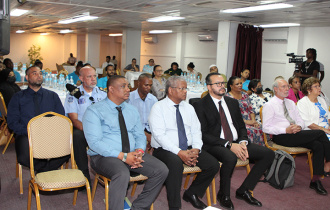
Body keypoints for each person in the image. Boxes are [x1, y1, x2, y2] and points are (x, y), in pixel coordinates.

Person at [82, 75, 168, 210]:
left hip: (132, 153)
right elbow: (95, 143)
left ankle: (138, 207)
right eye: (123, 86)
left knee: (161, 170)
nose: (128, 89)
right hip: (103, 156)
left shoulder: (131, 110)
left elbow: (140, 135)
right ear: (111, 89)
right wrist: (123, 156)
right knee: (122, 174)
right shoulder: (94, 111)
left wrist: (139, 151)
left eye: (128, 86)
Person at [193, 72, 274, 209]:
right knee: (230, 157)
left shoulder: (232, 102)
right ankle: (224, 195)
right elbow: (203, 134)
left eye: (223, 83)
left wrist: (243, 141)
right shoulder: (200, 105)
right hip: (214, 144)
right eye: (217, 84)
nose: (222, 86)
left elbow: (241, 126)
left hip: (236, 142)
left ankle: (244, 190)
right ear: (209, 87)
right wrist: (228, 145)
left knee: (268, 154)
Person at [149, 76, 219, 210]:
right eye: (182, 88)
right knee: (175, 165)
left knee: (213, 165)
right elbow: (159, 136)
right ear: (170, 90)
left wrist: (197, 149)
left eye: (186, 88)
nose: (185, 91)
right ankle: (175, 206)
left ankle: (192, 193)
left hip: (189, 147)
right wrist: (179, 152)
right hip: (164, 150)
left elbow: (197, 131)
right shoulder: (158, 108)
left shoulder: (189, 108)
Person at [263, 78, 330, 195]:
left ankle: (315, 181)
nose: (287, 89)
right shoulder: (269, 105)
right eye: (283, 87)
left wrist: (298, 126)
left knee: (318, 145)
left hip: (296, 133)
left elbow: (300, 120)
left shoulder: (291, 103)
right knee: (320, 133)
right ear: (275, 89)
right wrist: (285, 129)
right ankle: (329, 159)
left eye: (287, 87)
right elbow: (266, 128)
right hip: (281, 136)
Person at [7, 66, 69, 173]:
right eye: (34, 73)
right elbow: (12, 122)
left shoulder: (52, 96)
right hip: (26, 134)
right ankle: (45, 170)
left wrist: (50, 131)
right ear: (27, 77)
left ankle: (42, 171)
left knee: (66, 150)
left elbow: (61, 118)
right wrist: (29, 132)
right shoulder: (18, 97)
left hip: (49, 133)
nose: (39, 76)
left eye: (40, 73)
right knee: (24, 156)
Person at [64, 66, 107, 182]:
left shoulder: (103, 94)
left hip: (102, 128)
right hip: (83, 129)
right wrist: (90, 130)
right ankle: (84, 175)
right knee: (77, 137)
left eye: (94, 76)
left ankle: (109, 170)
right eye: (89, 76)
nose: (93, 79)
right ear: (81, 78)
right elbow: (74, 120)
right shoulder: (73, 95)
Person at [226, 76, 264, 146]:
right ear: (231, 86)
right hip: (238, 122)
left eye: (241, 83)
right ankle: (248, 151)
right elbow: (231, 115)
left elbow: (251, 110)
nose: (240, 85)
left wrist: (253, 121)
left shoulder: (245, 95)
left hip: (250, 121)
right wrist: (247, 122)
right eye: (237, 84)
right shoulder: (227, 97)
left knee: (262, 128)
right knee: (250, 131)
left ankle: (261, 150)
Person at [127, 73, 157, 151]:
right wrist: (146, 136)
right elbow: (129, 122)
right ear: (139, 83)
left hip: (149, 130)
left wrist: (153, 136)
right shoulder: (129, 98)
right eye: (146, 85)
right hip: (134, 131)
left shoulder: (153, 99)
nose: (148, 88)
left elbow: (156, 120)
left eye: (150, 85)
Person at [297, 77, 330, 141]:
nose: (319, 88)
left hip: (326, 130)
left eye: (319, 86)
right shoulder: (302, 103)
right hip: (314, 132)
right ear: (308, 90)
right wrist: (324, 129)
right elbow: (307, 123)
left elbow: (328, 115)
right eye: (316, 86)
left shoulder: (321, 100)